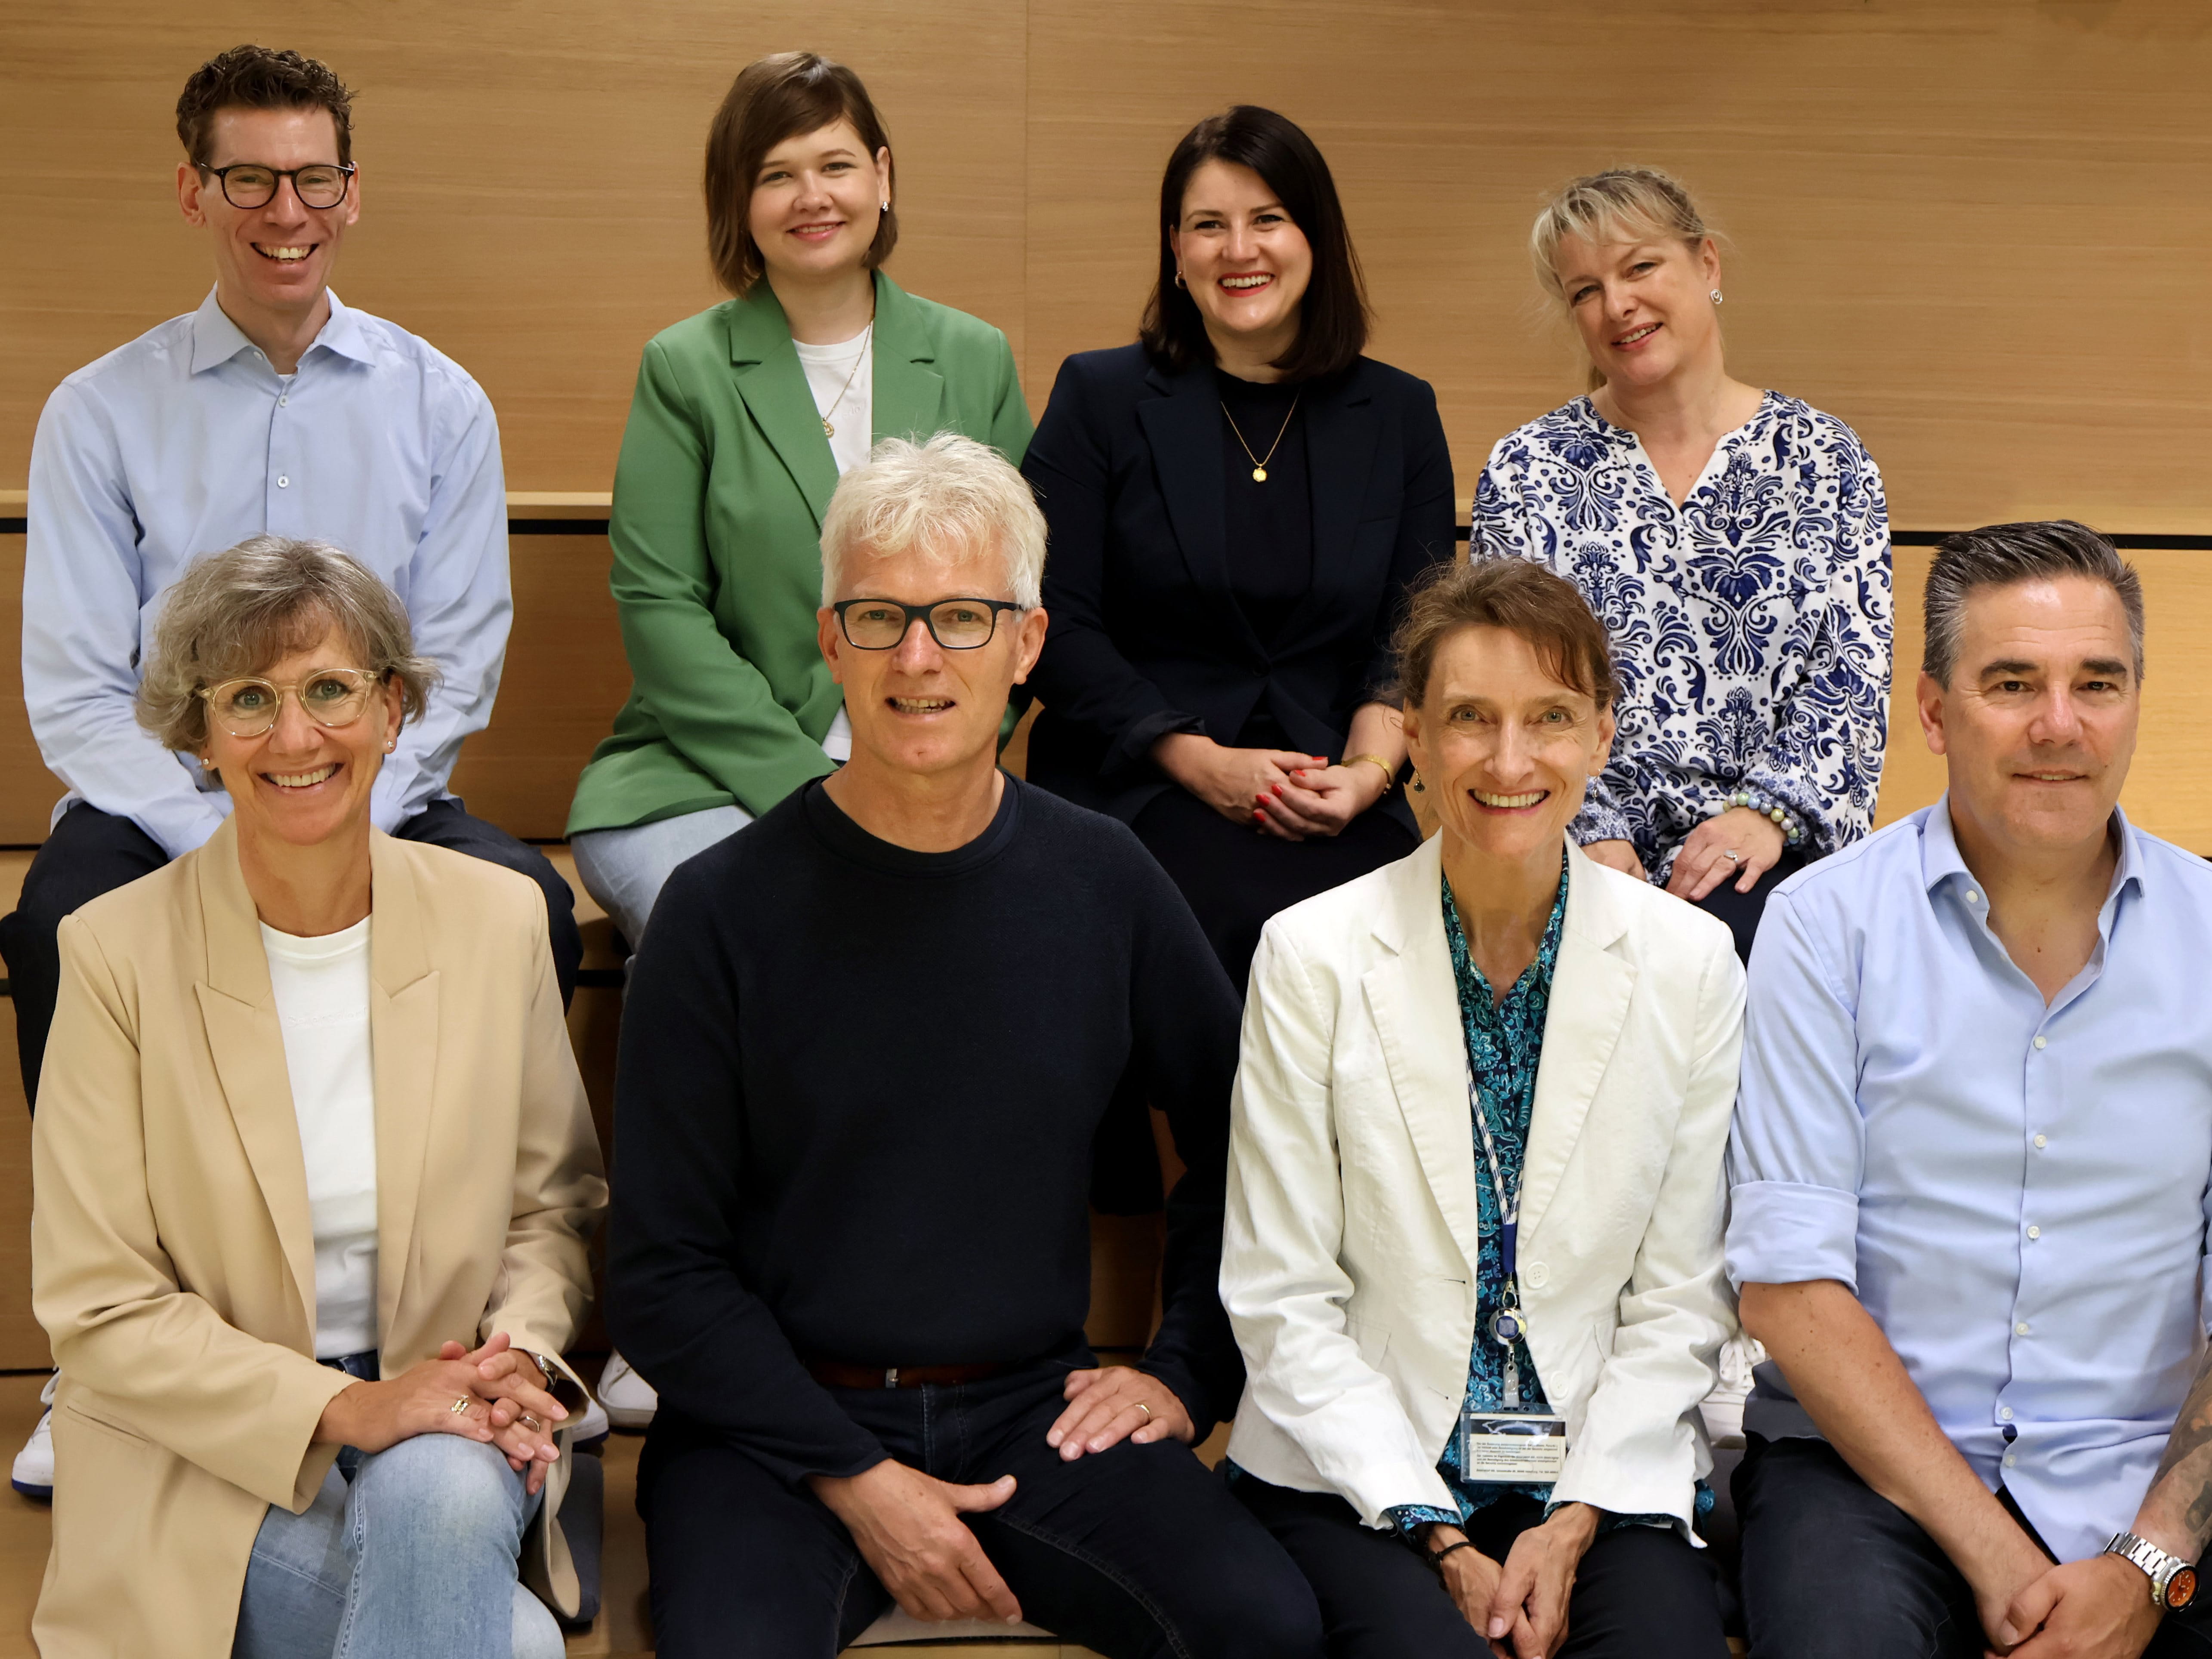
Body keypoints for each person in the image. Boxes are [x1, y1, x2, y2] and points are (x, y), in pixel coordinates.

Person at [605, 434, 1324, 1659]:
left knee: (1266, 1628)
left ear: (1028, 645)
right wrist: (853, 1477)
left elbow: (1247, 1144)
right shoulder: (718, 909)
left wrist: (1183, 1371)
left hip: (1031, 1416)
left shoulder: (1103, 881)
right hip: (772, 1429)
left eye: (961, 616)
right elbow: (659, 1270)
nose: (919, 657)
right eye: (880, 617)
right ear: (830, 641)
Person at [0, 40, 582, 1502]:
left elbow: (453, 664)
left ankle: (514, 1327)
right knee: (55, 925)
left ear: (352, 191)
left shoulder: (440, 403)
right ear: (196, 190)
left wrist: (337, 806)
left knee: (530, 901)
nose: (284, 208)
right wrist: (232, 825)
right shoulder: (98, 409)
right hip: (166, 804)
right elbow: (76, 689)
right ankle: (109, 1353)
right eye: (248, 176)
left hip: (377, 780)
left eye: (312, 176)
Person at [28, 537, 607, 1659]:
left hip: (447, 1396)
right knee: (520, 1650)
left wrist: (520, 1357)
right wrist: (346, 1409)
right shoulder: (110, 953)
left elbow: (553, 1209)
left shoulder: (497, 921)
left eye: (330, 690)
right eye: (249, 699)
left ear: (393, 708)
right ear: (198, 736)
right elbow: (100, 1307)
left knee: (441, 1500)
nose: (295, 738)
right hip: (195, 1456)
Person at [565, 53, 1029, 1426]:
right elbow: (655, 600)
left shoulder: (976, 355)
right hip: (701, 774)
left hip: (932, 769)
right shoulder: (687, 367)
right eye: (775, 172)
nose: (809, 194)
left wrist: (913, 771)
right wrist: (810, 787)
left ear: (883, 179)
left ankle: (900, 1306)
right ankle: (671, 1309)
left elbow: (1008, 586)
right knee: (718, 924)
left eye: (835, 163)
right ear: (739, 202)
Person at [1221, 556, 1743, 1659]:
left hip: (1602, 1464)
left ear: (1603, 735)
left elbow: (1685, 1296)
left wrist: (1575, 1516)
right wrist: (1443, 1537)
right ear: (1412, 733)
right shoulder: (1309, 954)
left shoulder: (1691, 962)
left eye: (1551, 717)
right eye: (1469, 718)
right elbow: (1281, 1297)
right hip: (1357, 1470)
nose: (1511, 760)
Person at [1728, 520, 2212, 1659]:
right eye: (2011, 684)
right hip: (1864, 1474)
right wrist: (2004, 1564)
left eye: (2095, 683)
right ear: (1934, 712)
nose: (2059, 725)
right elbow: (1789, 1290)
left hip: (2143, 1470)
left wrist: (2146, 1566)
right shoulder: (1819, 927)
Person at [1020, 104, 1454, 987]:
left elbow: (1417, 635)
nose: (1238, 250)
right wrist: (1200, 760)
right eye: (1207, 226)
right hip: (1138, 781)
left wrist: (1369, 775)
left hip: (1332, 785)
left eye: (1268, 220)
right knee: (1239, 937)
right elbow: (1053, 621)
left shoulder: (1400, 414)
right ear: (1175, 252)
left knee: (1401, 948)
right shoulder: (1100, 395)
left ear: (1316, 239)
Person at [1472, 165, 1891, 961]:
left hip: (1767, 856)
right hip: (1566, 836)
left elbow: (1850, 677)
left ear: (1707, 265)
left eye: (1639, 268)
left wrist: (1764, 818)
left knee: (1744, 956)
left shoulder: (1827, 459)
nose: (1617, 305)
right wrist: (1588, 833)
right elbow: (1505, 682)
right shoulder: (1528, 468)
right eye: (1584, 291)